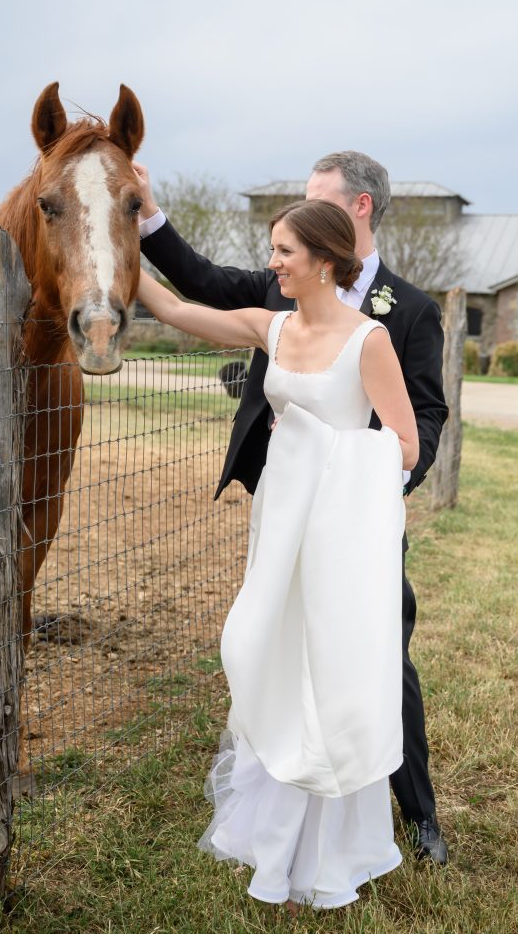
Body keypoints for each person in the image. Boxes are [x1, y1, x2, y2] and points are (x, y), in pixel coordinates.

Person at [134, 151, 449, 865]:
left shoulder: (395, 322)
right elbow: (189, 301)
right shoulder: (275, 319)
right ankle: (274, 800)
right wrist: (125, 247)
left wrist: (340, 465)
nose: (273, 262)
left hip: (352, 524)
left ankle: (412, 816)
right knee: (263, 643)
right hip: (280, 522)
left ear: (333, 242)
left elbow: (409, 436)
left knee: (364, 661)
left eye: (284, 250)